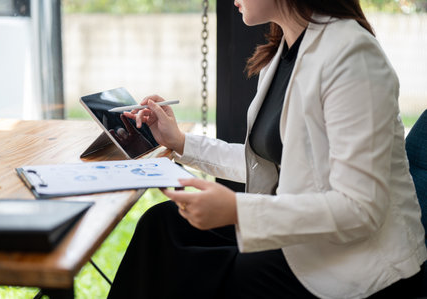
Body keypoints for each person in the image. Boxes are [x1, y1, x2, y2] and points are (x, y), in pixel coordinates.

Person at [108, 0, 427, 298]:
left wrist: (238, 210)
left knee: (203, 272)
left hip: (360, 262)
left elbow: (361, 209)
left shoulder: (354, 56)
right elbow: (270, 162)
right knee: (162, 225)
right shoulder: (285, 53)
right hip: (305, 233)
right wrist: (179, 141)